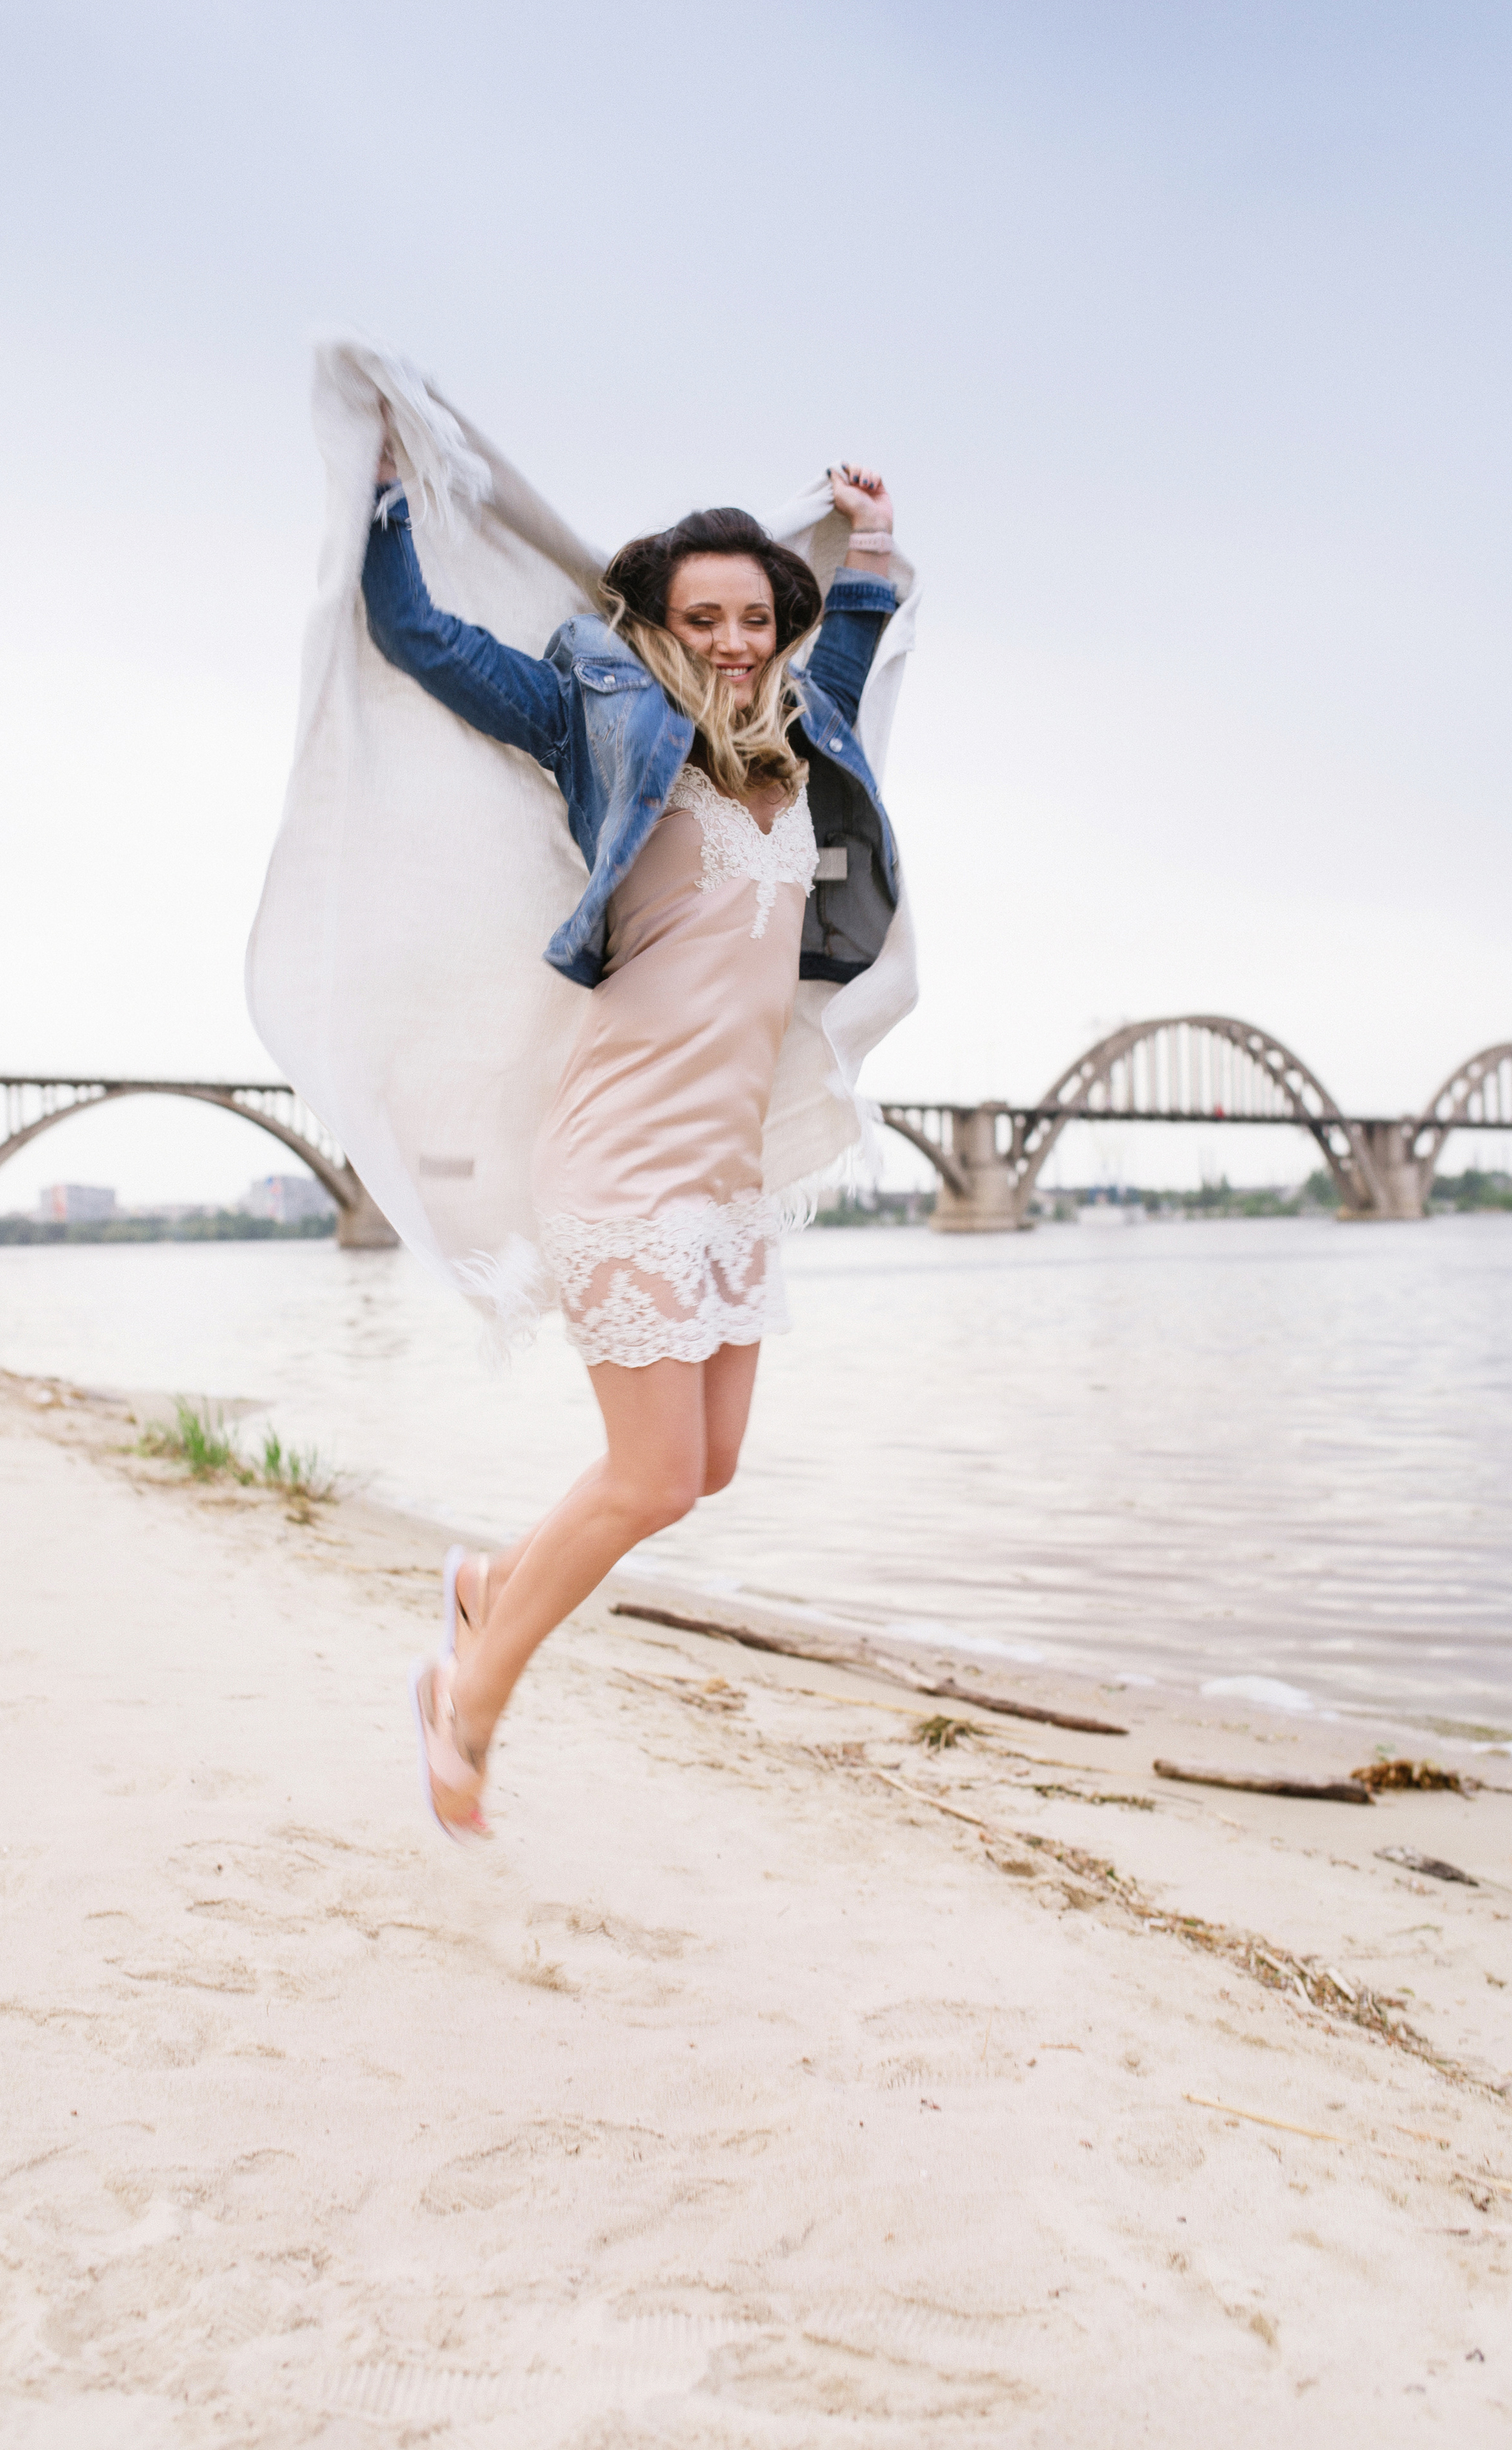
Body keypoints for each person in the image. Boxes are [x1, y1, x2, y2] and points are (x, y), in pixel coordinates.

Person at [363, 424, 904, 1837]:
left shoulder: (800, 746)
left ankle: (489, 1583)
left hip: (723, 1169)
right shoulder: (600, 723)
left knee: (701, 1471)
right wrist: (386, 500)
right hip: (619, 1156)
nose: (732, 642)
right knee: (651, 1472)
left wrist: (870, 547)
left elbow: (851, 651)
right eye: (702, 616)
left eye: (754, 618)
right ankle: (466, 1703)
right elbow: (422, 642)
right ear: (658, 621)